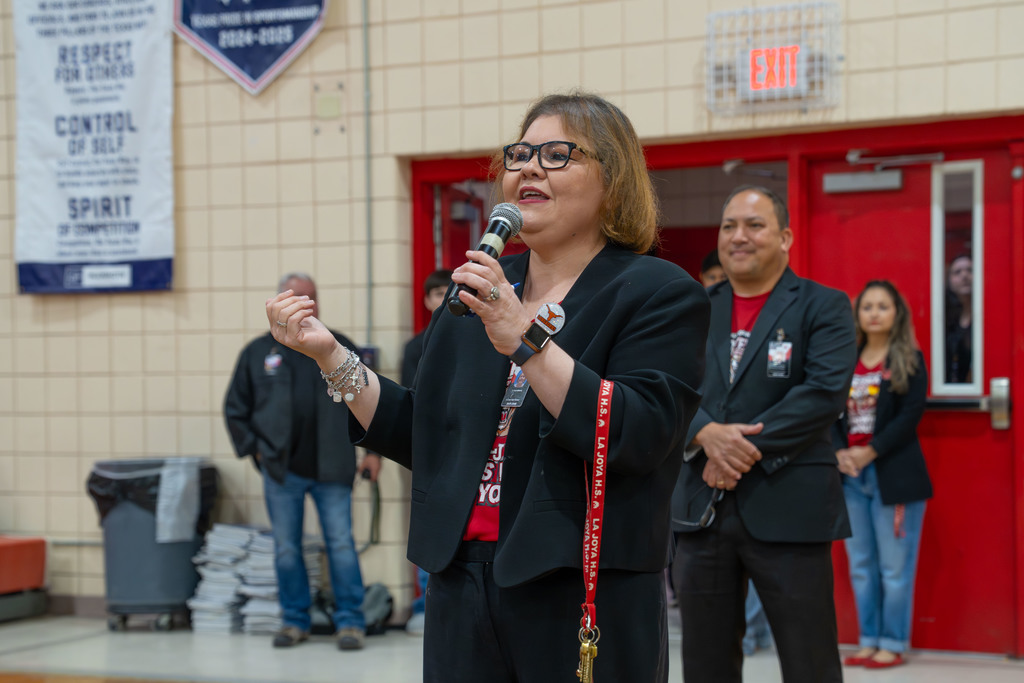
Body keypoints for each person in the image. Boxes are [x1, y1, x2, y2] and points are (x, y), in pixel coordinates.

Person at [267, 91, 710, 682]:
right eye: (520, 153)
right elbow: (425, 433)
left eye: (557, 154)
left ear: (614, 179)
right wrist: (330, 356)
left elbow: (639, 432)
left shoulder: (656, 290)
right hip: (460, 574)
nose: (528, 167)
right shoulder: (479, 290)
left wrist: (519, 334)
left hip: (579, 581)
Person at [671, 185, 856, 682]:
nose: (739, 236)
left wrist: (731, 447)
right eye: (729, 225)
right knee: (704, 663)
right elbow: (664, 386)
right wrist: (705, 432)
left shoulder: (825, 306)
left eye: (754, 225)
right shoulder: (691, 307)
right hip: (700, 510)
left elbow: (822, 394)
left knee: (809, 660)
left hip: (789, 503)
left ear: (785, 236)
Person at [224, 273, 381, 651]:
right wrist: (257, 450)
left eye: (312, 299)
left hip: (334, 468)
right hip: (282, 471)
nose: (306, 306)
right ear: (282, 302)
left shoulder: (338, 346)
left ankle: (350, 623)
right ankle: (294, 621)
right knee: (286, 548)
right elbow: (235, 409)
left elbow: (370, 401)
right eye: (298, 298)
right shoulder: (258, 353)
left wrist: (374, 452)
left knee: (341, 545)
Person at [833, 280, 932, 670]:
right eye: (867, 306)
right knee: (860, 566)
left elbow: (910, 416)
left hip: (893, 475)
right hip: (850, 476)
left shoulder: (909, 360)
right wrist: (840, 451)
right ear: (858, 314)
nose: (874, 312)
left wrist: (870, 450)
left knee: (893, 568)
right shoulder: (845, 358)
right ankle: (869, 640)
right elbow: (826, 410)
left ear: (897, 314)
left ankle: (892, 641)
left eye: (883, 306)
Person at [399, 268, 452, 635]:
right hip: (429, 450)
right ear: (426, 300)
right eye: (435, 294)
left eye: (447, 292)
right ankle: (425, 602)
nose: (441, 299)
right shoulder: (414, 347)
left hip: (467, 446)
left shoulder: (483, 335)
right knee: (429, 523)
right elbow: (409, 397)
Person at [944, 254, 972, 383]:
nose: (964, 275)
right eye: (957, 272)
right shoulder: (944, 319)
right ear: (948, 281)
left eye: (970, 270)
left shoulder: (988, 316)